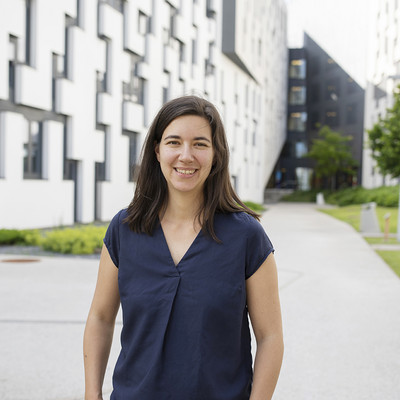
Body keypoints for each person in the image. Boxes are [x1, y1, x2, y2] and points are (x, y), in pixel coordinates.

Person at [83, 95, 283, 400]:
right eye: (174, 142)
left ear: (216, 155)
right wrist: (91, 394)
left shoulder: (246, 237)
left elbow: (270, 337)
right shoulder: (125, 229)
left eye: (200, 144)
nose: (186, 156)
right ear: (157, 150)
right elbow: (100, 317)